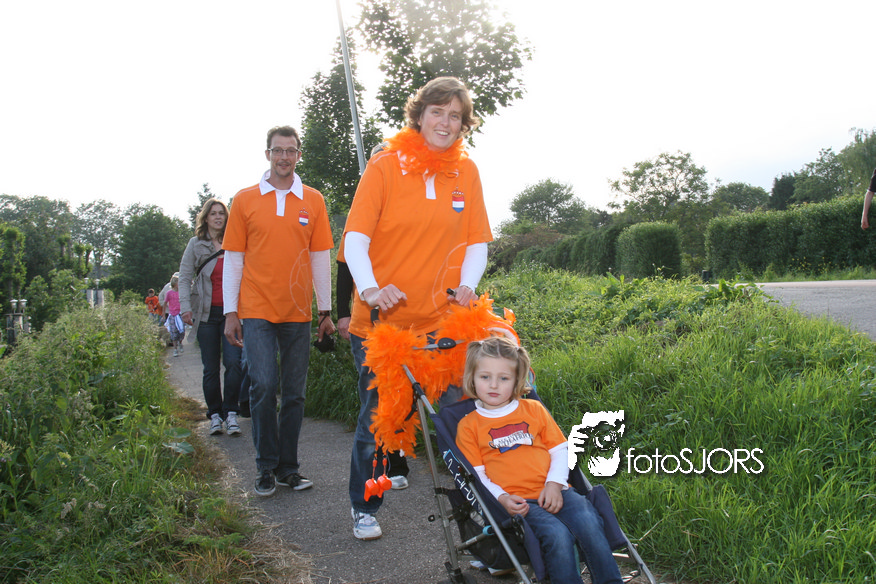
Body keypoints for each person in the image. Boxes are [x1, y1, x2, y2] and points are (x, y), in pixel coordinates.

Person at [343, 76, 492, 540]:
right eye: (437, 112)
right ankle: (364, 506)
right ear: (419, 115)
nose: (445, 123)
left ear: (463, 124)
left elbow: (477, 241)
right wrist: (370, 289)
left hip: (443, 323)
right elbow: (355, 239)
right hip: (383, 325)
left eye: (455, 116)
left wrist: (468, 286)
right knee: (381, 419)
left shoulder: (466, 172)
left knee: (464, 416)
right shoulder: (385, 166)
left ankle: (485, 517)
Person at [223, 125, 336, 497]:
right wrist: (231, 312)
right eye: (277, 150)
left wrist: (325, 311)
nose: (284, 157)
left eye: (290, 150)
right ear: (267, 154)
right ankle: (265, 467)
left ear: (298, 155)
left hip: (298, 312)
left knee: (294, 394)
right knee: (263, 385)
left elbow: (320, 258)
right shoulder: (245, 200)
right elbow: (234, 260)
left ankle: (289, 468)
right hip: (256, 309)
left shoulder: (313, 200)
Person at [455, 336, 624, 584]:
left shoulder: (533, 410)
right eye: (485, 377)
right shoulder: (469, 426)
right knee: (556, 534)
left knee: (589, 520)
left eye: (504, 378)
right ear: (472, 378)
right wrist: (502, 498)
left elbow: (560, 449)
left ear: (517, 381)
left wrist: (554, 484)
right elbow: (477, 476)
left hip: (555, 489)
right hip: (518, 502)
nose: (493, 385)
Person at [336, 243, 410, 490]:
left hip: (409, 319)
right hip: (368, 324)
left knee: (402, 394)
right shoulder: (357, 227)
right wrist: (342, 313)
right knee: (377, 396)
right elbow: (344, 268)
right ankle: (373, 477)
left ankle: (397, 462)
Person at [178, 198, 244, 437]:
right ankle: (215, 414)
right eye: (213, 213)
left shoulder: (235, 241)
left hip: (232, 314)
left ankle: (231, 412)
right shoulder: (195, 244)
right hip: (205, 314)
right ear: (205, 218)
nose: (218, 217)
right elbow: (184, 277)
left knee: (234, 363)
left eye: (221, 213)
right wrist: (185, 307)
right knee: (210, 367)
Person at [164, 275, 185, 357]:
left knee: (182, 331)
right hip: (172, 314)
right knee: (174, 332)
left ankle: (180, 342)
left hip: (180, 314)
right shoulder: (169, 293)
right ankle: (175, 349)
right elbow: (165, 303)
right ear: (175, 284)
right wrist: (163, 314)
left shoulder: (181, 292)